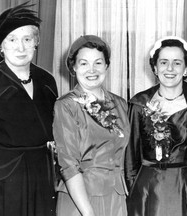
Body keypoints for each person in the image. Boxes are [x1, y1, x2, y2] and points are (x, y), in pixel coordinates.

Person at [125, 36, 187, 216]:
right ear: (155, 68)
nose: (170, 69)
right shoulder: (139, 104)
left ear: (186, 68)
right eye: (164, 62)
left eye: (177, 63)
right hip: (149, 189)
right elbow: (130, 156)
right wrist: (134, 191)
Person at [53, 35, 130, 216]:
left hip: (116, 197)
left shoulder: (120, 104)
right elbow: (69, 164)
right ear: (74, 67)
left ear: (106, 66)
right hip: (81, 200)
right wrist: (88, 212)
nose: (92, 70)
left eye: (98, 63)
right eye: (84, 63)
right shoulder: (65, 105)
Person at [0, 2, 58, 216]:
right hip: (2, 180)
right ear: (0, 46)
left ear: (36, 43)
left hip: (42, 174)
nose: (20, 48)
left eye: (27, 39)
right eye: (12, 40)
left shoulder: (46, 80)